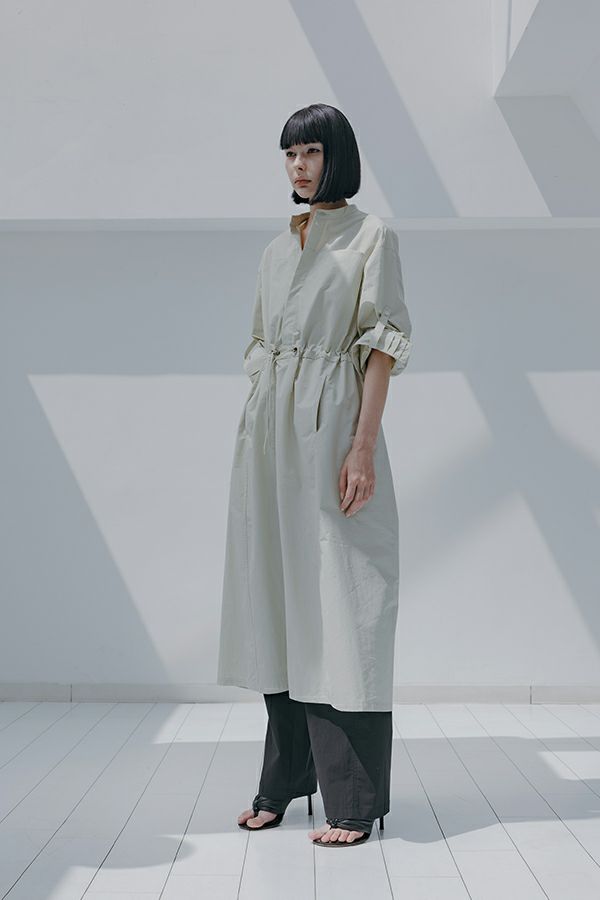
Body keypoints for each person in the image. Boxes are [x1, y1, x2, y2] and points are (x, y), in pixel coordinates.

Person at [216, 103, 413, 846]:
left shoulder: (371, 236)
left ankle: (353, 797)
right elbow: (258, 342)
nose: (299, 166)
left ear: (339, 157)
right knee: (277, 598)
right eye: (290, 153)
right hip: (269, 441)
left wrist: (360, 447)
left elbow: (382, 345)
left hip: (332, 435)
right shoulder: (277, 249)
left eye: (312, 151)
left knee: (342, 599)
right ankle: (286, 775)